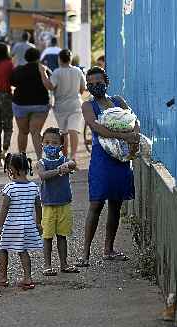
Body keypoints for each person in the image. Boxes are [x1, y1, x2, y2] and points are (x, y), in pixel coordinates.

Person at [75, 66, 140, 267]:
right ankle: (85, 253)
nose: (96, 86)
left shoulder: (118, 101)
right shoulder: (88, 106)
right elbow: (96, 127)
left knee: (116, 204)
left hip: (120, 159)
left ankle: (108, 249)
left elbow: (133, 119)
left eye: (99, 82)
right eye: (91, 84)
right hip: (102, 160)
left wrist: (134, 134)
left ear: (107, 82)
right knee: (96, 204)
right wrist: (125, 136)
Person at [0, 153, 43, 290]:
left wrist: (0, 226)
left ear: (11, 169)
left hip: (12, 224)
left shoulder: (10, 187)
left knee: (3, 248)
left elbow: (5, 207)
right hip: (28, 224)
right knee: (23, 250)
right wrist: (39, 223)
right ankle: (28, 278)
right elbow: (38, 206)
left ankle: (3, 276)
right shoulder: (33, 187)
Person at [36, 128, 79, 276]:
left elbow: (73, 164)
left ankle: (64, 263)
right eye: (47, 142)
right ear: (42, 144)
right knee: (47, 236)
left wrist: (69, 165)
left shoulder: (64, 159)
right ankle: (47, 265)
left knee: (62, 235)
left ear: (61, 146)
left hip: (64, 203)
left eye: (54, 143)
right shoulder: (41, 162)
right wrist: (59, 171)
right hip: (48, 205)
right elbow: (42, 175)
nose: (50, 145)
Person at [39, 49, 86, 160]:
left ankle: (64, 157)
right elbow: (83, 89)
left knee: (64, 133)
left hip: (61, 107)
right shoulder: (78, 71)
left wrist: (43, 73)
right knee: (73, 130)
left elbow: (50, 86)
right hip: (76, 104)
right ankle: (73, 155)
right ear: (70, 59)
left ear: (59, 59)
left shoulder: (57, 72)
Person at [10, 47, 51, 160]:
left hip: (21, 104)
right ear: (38, 57)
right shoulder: (43, 69)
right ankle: (40, 158)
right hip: (40, 104)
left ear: (25, 57)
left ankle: (22, 158)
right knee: (36, 132)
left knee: (23, 132)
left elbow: (12, 82)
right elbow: (51, 84)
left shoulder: (18, 70)